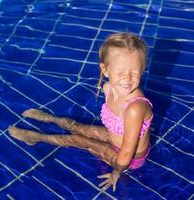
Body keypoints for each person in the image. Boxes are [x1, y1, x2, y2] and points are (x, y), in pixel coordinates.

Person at [8, 32, 153, 192]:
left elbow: (127, 151)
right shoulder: (108, 89)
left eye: (134, 73)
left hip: (129, 159)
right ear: (105, 70)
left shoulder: (134, 109)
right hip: (115, 138)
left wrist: (117, 172)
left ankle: (37, 137)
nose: (127, 79)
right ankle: (51, 118)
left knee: (81, 140)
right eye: (120, 73)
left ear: (142, 70)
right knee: (80, 128)